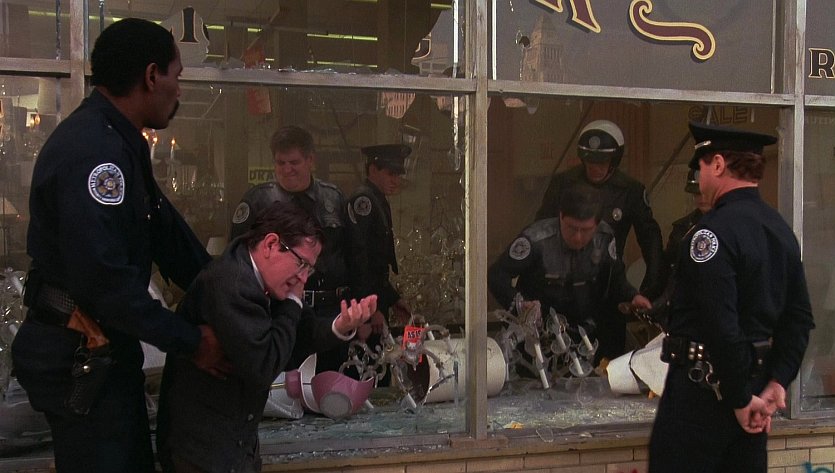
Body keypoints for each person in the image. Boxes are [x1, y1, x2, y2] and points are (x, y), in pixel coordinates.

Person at [10, 18, 225, 473]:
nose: (180, 91)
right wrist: (191, 342)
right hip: (81, 353)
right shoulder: (95, 153)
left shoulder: (121, 143)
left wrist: (232, 296)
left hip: (105, 349)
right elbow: (103, 280)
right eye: (178, 76)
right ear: (151, 76)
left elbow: (170, 239)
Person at [157, 202, 376, 473]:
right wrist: (293, 302)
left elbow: (299, 337)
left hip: (236, 447)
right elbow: (264, 365)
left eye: (309, 269)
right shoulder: (232, 283)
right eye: (301, 264)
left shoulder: (269, 282)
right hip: (202, 451)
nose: (303, 278)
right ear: (271, 244)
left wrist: (340, 326)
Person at [648, 122, 815, 473]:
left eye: (702, 167)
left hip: (702, 399)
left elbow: (721, 325)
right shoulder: (780, 231)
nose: (700, 179)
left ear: (719, 164)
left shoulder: (710, 235)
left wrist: (740, 399)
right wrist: (776, 381)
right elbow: (798, 319)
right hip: (756, 396)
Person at [534, 119, 664, 358]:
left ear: (614, 160)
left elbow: (650, 238)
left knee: (608, 359)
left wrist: (649, 289)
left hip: (609, 290)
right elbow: (539, 231)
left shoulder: (630, 190)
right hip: (563, 289)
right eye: (590, 162)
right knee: (561, 357)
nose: (595, 168)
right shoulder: (563, 184)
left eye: (602, 162)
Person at [230, 125, 351, 372]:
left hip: (328, 308)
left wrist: (356, 307)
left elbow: (352, 256)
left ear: (310, 160)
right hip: (278, 310)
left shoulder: (333, 198)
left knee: (332, 381)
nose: (287, 169)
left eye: (294, 162)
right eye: (280, 163)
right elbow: (237, 262)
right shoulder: (258, 201)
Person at [488, 185, 652, 365]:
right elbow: (497, 275)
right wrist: (520, 304)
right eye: (571, 228)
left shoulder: (604, 237)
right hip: (539, 333)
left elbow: (616, 277)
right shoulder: (535, 239)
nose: (578, 237)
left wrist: (632, 295)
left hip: (585, 330)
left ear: (596, 225)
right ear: (561, 217)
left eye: (586, 230)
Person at [346, 144, 412, 340]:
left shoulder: (377, 199)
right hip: (365, 304)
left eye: (398, 175)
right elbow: (357, 261)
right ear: (373, 170)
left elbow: (377, 266)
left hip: (374, 298)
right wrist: (370, 309)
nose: (396, 181)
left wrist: (393, 298)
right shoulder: (364, 200)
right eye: (391, 174)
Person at [650, 168, 712, 328]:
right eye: (697, 193)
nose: (701, 198)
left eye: (706, 192)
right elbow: (668, 271)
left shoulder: (734, 226)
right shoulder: (683, 229)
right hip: (685, 310)